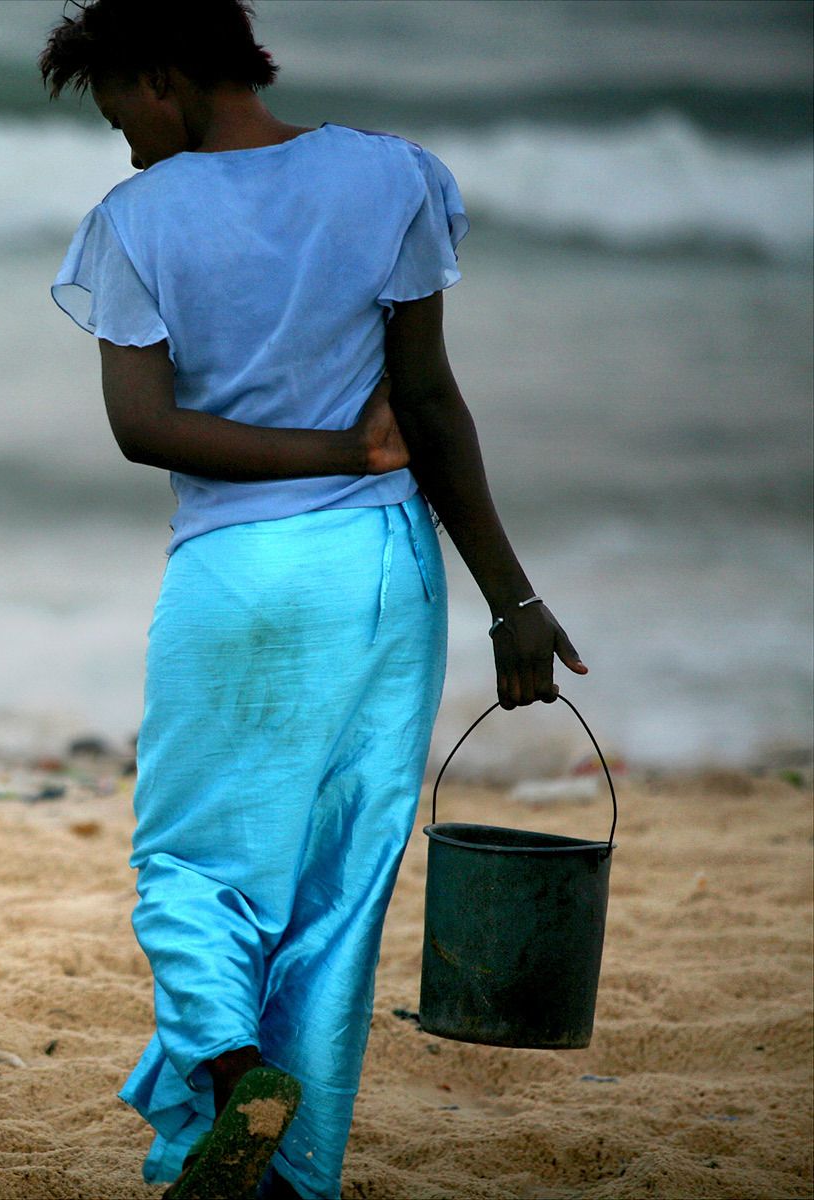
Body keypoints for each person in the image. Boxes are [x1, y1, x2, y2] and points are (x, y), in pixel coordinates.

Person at [38, 3, 588, 1198]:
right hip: (390, 578)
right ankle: (292, 1178)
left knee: (192, 868)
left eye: (119, 103)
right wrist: (513, 600)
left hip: (243, 576)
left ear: (163, 76)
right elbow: (432, 405)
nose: (123, 138)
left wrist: (333, 453)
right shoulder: (393, 177)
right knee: (340, 887)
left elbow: (143, 430)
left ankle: (234, 1083)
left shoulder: (135, 221)